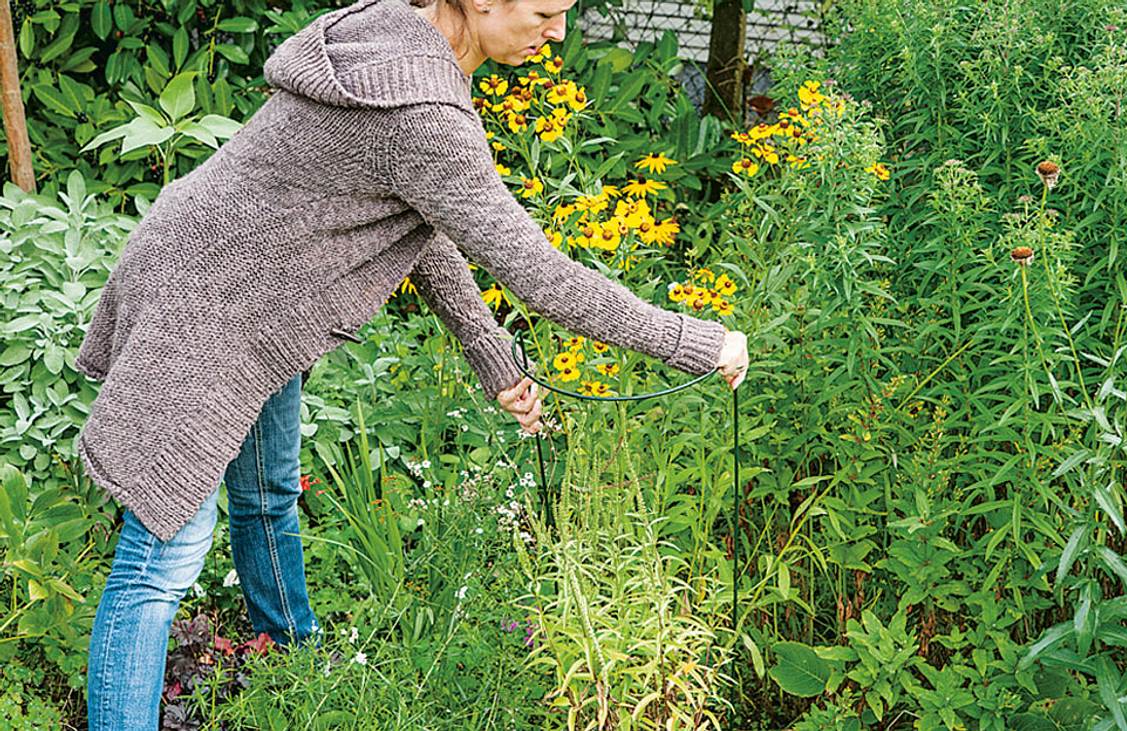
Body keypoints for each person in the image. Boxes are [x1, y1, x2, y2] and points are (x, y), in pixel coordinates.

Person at [75, 0, 750, 727]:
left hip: (246, 290)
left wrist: (492, 354)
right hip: (208, 307)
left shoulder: (392, 36)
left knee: (267, 491)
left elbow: (417, 221)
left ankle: (294, 661)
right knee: (160, 557)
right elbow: (542, 278)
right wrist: (698, 341)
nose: (557, 32)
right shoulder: (422, 109)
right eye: (547, 11)